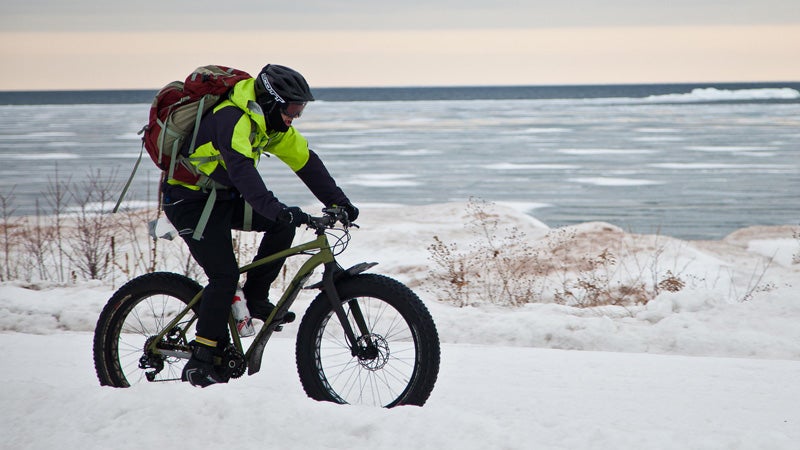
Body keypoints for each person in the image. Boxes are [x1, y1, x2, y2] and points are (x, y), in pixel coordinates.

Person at [161, 64, 359, 387]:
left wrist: (340, 202)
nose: (294, 117)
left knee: (283, 226)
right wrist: (279, 209)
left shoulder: (267, 124)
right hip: (190, 201)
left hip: (222, 198)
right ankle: (202, 360)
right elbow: (245, 177)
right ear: (270, 102)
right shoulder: (232, 120)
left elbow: (305, 160)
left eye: (300, 110)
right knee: (224, 277)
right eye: (291, 109)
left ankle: (254, 297)